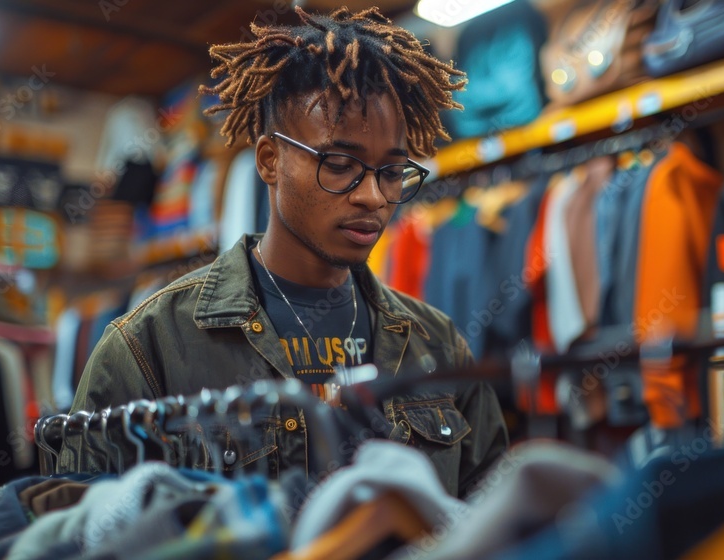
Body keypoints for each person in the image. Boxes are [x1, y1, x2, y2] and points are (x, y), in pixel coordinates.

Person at [66, 5, 508, 498]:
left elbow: (494, 519)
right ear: (270, 161)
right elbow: (84, 533)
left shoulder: (437, 344)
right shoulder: (149, 346)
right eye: (340, 163)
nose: (374, 197)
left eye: (390, 172)